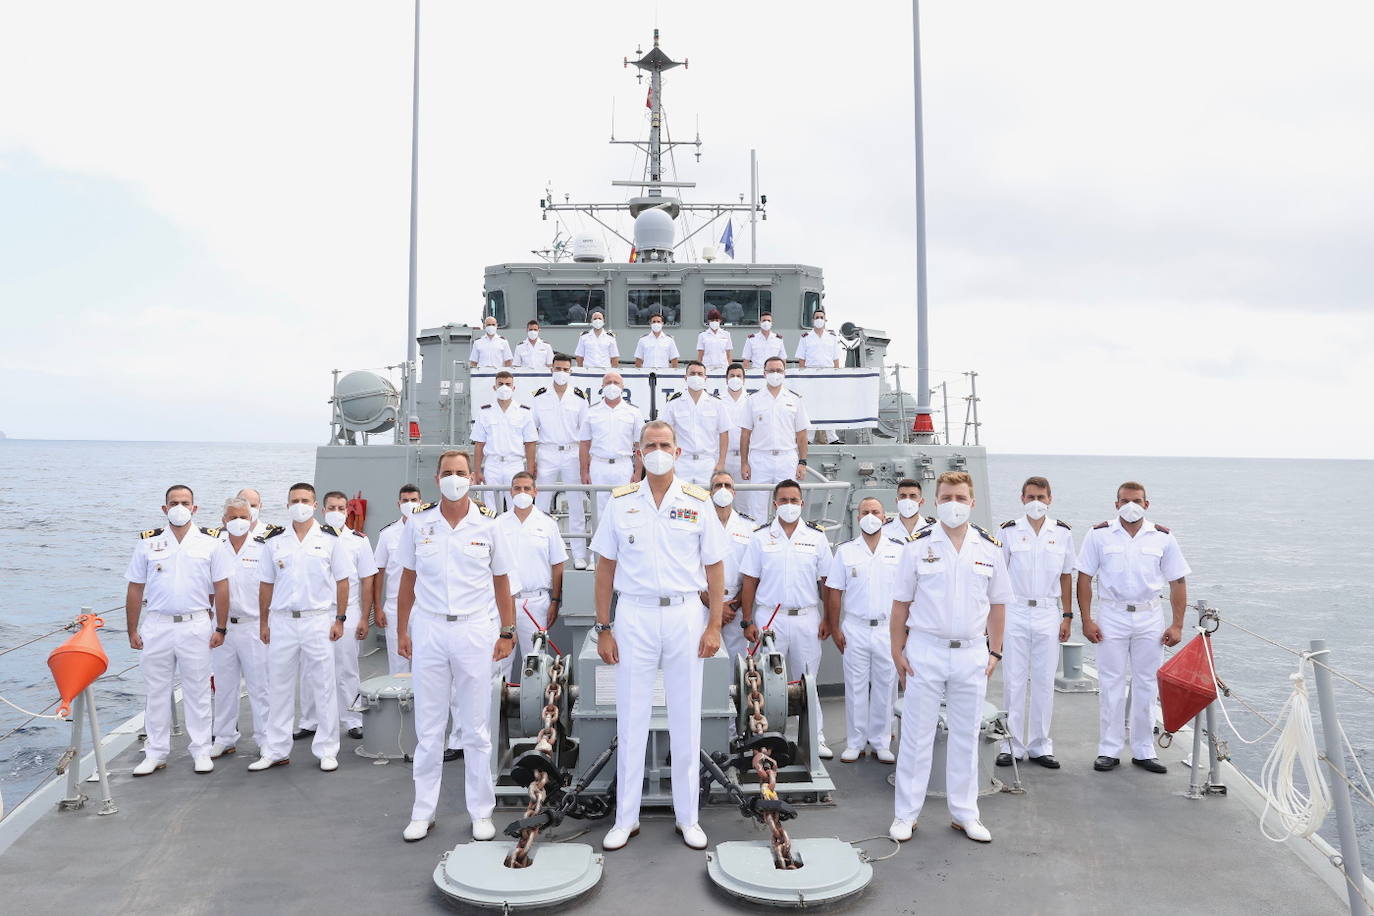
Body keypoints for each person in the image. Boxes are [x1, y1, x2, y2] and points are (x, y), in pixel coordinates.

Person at [591, 421, 727, 852]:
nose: (657, 450)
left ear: (678, 451)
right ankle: (625, 818)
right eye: (650, 445)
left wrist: (714, 624)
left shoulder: (698, 501)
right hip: (634, 614)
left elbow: (716, 568)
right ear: (638, 452)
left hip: (686, 614)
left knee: (686, 718)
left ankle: (688, 818)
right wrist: (604, 627)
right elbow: (605, 569)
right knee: (632, 718)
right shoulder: (620, 503)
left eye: (664, 444)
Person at [395, 450, 516, 843]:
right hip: (429, 628)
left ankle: (481, 812)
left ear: (473, 476)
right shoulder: (418, 523)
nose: (454, 478)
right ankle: (422, 811)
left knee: (476, 728)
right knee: (428, 729)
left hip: (474, 630)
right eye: (447, 472)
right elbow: (407, 581)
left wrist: (507, 631)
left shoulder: (490, 524)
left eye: (460, 472)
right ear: (436, 478)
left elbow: (501, 581)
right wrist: (402, 631)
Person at [888, 471, 1010, 844]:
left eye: (960, 497)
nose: (953, 504)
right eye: (946, 497)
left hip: (972, 651)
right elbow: (900, 606)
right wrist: (897, 650)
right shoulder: (917, 545)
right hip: (925, 649)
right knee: (917, 735)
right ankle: (906, 815)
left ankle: (965, 814)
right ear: (936, 502)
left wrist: (995, 650)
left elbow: (999, 604)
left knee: (965, 735)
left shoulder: (989, 548)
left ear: (972, 503)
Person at [1076, 481, 1190, 775]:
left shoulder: (1163, 537)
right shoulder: (1098, 534)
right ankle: (1109, 749)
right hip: (1112, 615)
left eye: (1137, 500)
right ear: (1116, 504)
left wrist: (1177, 624)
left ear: (1146, 504)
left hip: (1149, 616)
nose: (1131, 505)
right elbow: (1085, 578)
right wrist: (1087, 619)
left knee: (1147, 683)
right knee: (1111, 682)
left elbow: (1177, 581)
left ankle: (1143, 749)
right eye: (1125, 500)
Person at [124, 485, 231, 776]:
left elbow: (222, 587)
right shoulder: (148, 543)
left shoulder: (211, 543)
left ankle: (200, 750)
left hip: (195, 624)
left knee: (197, 691)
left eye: (185, 502)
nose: (179, 507)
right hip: (157, 625)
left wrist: (220, 627)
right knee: (156, 692)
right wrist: (131, 629)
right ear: (164, 508)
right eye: (174, 502)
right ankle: (155, 752)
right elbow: (135, 588)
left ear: (195, 508)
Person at [250, 483, 353, 773]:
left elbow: (342, 580)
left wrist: (340, 618)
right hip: (282, 621)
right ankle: (276, 749)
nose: (300, 505)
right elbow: (266, 584)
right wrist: (263, 622)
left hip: (318, 619)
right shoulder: (274, 541)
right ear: (287, 505)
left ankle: (327, 749)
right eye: (295, 500)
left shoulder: (330, 540)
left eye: (305, 500)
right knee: (278, 687)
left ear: (315, 504)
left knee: (323, 686)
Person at [738, 479, 835, 759]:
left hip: (806, 616)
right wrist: (747, 621)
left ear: (802, 504)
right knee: (768, 682)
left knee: (808, 679)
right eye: (784, 500)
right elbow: (749, 581)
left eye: (794, 500)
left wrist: (828, 618)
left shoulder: (816, 538)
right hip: (771, 618)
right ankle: (767, 738)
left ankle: (815, 737)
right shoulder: (760, 537)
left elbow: (827, 583)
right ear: (775, 504)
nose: (789, 505)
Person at [995, 476, 1074, 770]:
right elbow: (997, 576)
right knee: (1013, 681)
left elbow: (1067, 575)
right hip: (1015, 610)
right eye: (1030, 497)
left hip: (1047, 612)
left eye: (1041, 497)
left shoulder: (1063, 533)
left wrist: (1067, 615)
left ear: (1050, 499)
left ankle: (1041, 745)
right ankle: (1011, 744)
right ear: (1022, 498)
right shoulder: (1008, 532)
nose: (1036, 503)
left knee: (1043, 681)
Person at [295, 491, 379, 743]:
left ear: (347, 511)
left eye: (341, 508)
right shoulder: (311, 539)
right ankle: (310, 720)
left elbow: (367, 581)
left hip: (348, 610)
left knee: (346, 666)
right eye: (332, 507)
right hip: (317, 611)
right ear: (322, 510)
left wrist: (365, 617)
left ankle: (352, 719)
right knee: (310, 668)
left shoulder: (359, 541)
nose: (336, 512)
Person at [825, 498, 903, 764]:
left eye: (875, 512)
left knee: (885, 685)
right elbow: (834, 592)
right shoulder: (845, 552)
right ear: (858, 518)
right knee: (855, 687)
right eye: (865, 512)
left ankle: (881, 741)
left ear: (884, 517)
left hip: (886, 629)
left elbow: (907, 594)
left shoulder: (899, 551)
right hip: (855, 628)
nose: (870, 516)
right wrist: (835, 629)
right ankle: (855, 742)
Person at [210, 496, 271, 760]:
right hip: (222, 627)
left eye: (243, 517)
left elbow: (272, 588)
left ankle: (266, 738)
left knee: (261, 687)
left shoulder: (264, 548)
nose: (238, 522)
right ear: (223, 521)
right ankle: (224, 736)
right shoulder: (214, 547)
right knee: (223, 686)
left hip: (254, 626)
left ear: (252, 519)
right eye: (232, 517)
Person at [498, 472, 568, 677]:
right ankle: (498, 709)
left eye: (527, 488)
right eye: (517, 488)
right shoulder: (499, 524)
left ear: (535, 492)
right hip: (503, 602)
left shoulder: (548, 524)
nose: (522, 492)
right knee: (500, 662)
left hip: (536, 602)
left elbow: (557, 564)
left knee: (537, 664)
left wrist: (555, 601)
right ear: (510, 492)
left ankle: (536, 709)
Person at [531, 354, 591, 569]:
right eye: (558, 368)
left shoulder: (579, 397)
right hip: (546, 452)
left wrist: (586, 463)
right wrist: (533, 461)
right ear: (551, 369)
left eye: (565, 369)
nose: (561, 373)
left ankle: (579, 554)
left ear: (571, 371)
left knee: (576, 504)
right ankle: (540, 551)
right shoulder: (539, 397)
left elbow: (585, 433)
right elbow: (532, 429)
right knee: (541, 504)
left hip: (572, 453)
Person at [739, 357, 810, 521]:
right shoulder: (753, 400)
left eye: (779, 370)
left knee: (788, 503)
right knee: (757, 505)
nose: (775, 374)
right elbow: (745, 434)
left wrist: (802, 461)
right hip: (759, 458)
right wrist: (744, 462)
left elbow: (801, 434)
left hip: (787, 457)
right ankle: (758, 539)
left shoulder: (794, 399)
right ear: (764, 373)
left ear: (784, 373)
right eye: (771, 370)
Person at [579, 371, 644, 522]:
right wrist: (584, 471)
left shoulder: (634, 412)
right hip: (598, 466)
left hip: (623, 466)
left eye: (616, 382)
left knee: (625, 510)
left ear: (623, 387)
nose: (612, 386)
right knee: (599, 513)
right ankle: (599, 546)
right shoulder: (591, 412)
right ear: (602, 386)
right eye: (608, 383)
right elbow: (584, 443)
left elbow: (639, 445)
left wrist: (638, 472)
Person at [372, 485, 424, 673]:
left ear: (421, 502)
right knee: (398, 664)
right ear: (398, 503)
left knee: (425, 663)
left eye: (413, 500)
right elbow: (378, 571)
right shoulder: (387, 535)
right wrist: (377, 607)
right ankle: (401, 702)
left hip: (425, 607)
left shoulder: (431, 531)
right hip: (394, 607)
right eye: (405, 500)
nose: (409, 504)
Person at [706, 470, 756, 664]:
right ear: (710, 492)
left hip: (736, 605)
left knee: (737, 663)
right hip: (704, 602)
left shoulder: (749, 528)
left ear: (734, 493)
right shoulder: (700, 523)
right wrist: (712, 602)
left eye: (727, 486)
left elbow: (752, 574)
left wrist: (734, 604)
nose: (723, 490)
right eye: (718, 486)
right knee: (706, 661)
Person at [472, 369, 537, 508]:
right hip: (492, 464)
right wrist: (477, 471)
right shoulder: (485, 412)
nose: (504, 387)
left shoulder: (524, 412)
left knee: (518, 504)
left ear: (514, 388)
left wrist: (530, 470)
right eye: (500, 384)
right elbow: (479, 444)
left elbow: (530, 443)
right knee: (491, 506)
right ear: (494, 387)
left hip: (514, 464)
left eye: (508, 384)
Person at [661, 360, 728, 486]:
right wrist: (669, 463)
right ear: (685, 378)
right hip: (681, 462)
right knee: (681, 501)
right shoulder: (673, 404)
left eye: (699, 374)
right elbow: (666, 435)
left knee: (707, 501)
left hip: (707, 463)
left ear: (705, 378)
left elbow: (724, 433)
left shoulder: (717, 404)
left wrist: (721, 463)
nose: (696, 377)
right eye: (692, 373)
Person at [719, 363, 751, 512]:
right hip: (723, 458)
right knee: (721, 500)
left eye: (739, 376)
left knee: (745, 504)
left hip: (745, 459)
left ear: (744, 379)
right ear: (726, 379)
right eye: (732, 376)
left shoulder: (751, 400)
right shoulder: (718, 401)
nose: (735, 379)